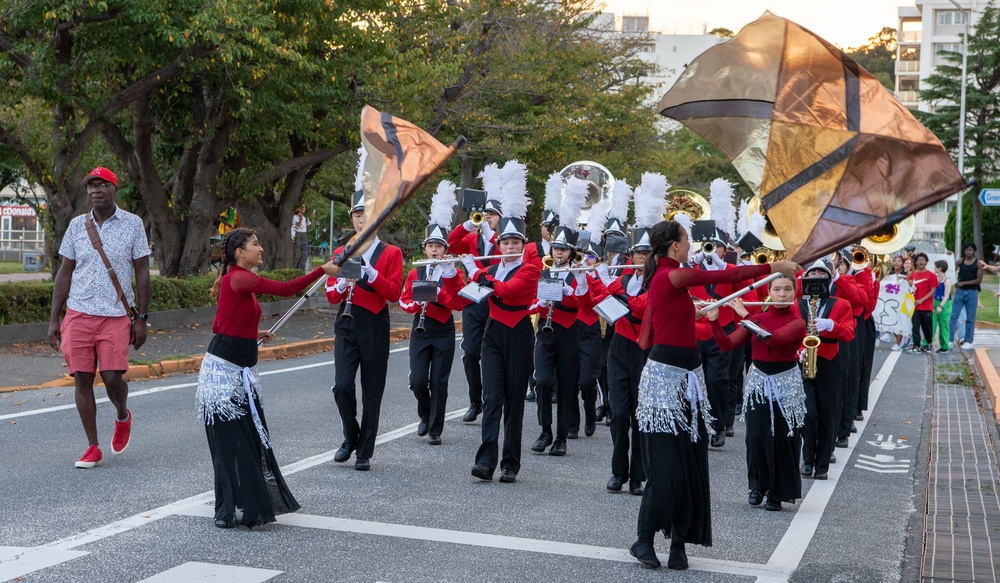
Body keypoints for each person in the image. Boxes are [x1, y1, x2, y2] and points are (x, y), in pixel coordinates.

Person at [628, 219, 798, 570]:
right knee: (667, 466)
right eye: (687, 240)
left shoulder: (668, 282)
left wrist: (691, 314)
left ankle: (679, 544)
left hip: (690, 378)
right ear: (675, 246)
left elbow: (652, 335)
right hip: (665, 382)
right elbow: (728, 278)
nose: (690, 245)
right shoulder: (672, 275)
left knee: (692, 463)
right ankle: (644, 538)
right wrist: (775, 267)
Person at [198, 228, 338, 528]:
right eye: (255, 244)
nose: (260, 249)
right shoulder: (238, 277)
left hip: (241, 369)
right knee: (230, 441)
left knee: (248, 437)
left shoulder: (236, 281)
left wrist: (253, 332)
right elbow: (287, 290)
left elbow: (218, 324)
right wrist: (320, 270)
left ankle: (241, 503)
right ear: (240, 253)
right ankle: (226, 510)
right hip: (224, 373)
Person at [48, 167, 151, 469]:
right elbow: (65, 272)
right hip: (79, 312)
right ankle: (92, 446)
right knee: (82, 378)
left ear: (114, 189)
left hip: (116, 314)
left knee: (111, 377)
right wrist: (55, 319)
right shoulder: (76, 226)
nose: (95, 190)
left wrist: (141, 318)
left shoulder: (133, 224)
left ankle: (122, 414)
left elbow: (143, 272)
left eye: (102, 185)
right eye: (91, 186)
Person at [460, 163, 540, 483]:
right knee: (493, 399)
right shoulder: (495, 261)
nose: (509, 247)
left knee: (513, 403)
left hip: (519, 334)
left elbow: (507, 292)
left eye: (514, 243)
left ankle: (510, 463)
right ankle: (485, 460)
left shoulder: (530, 269)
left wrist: (477, 273)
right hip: (493, 334)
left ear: (522, 245)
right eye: (505, 243)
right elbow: (462, 240)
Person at [708, 275, 807, 511]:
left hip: (785, 381)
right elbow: (727, 345)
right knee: (755, 435)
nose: (782, 294)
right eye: (777, 289)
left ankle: (777, 492)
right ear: (769, 293)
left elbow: (773, 339)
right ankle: (758, 486)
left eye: (786, 290)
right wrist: (713, 321)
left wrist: (744, 316)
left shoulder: (797, 322)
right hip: (759, 381)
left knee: (783, 436)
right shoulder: (759, 318)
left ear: (794, 293)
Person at [326, 190, 403, 471]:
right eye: (358, 215)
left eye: (367, 215)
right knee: (342, 385)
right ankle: (351, 436)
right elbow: (331, 297)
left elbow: (394, 292)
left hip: (374, 322)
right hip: (346, 322)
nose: (362, 220)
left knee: (372, 388)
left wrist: (372, 275)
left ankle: (364, 451)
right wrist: (339, 286)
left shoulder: (391, 253)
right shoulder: (341, 252)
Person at [399, 181, 465, 445]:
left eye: (439, 246)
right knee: (417, 380)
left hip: (443, 329)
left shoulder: (452, 273)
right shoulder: (415, 273)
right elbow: (404, 301)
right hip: (420, 328)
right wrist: (418, 303)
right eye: (431, 246)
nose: (435, 251)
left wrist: (439, 293)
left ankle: (436, 428)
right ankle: (425, 414)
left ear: (445, 249)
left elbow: (459, 304)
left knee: (439, 380)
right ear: (424, 248)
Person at [588, 237, 650, 496]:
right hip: (619, 348)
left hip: (644, 350)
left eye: (648, 253)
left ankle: (637, 475)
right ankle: (618, 471)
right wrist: (591, 278)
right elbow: (598, 299)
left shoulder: (657, 282)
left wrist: (610, 284)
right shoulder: (623, 279)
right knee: (619, 412)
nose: (643, 258)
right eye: (639, 253)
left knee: (639, 414)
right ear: (632, 255)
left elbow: (638, 308)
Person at [449, 165, 504, 423]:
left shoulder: (504, 240)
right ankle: (475, 401)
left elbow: (508, 257)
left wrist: (492, 235)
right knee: (470, 351)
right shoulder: (472, 238)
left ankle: (495, 398)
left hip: (496, 300)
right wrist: (468, 225)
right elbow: (448, 244)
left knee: (495, 353)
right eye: (486, 214)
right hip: (473, 299)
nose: (488, 218)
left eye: (492, 215)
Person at [798, 259, 856, 481]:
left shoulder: (840, 304)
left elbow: (849, 333)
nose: (816, 279)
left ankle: (822, 465)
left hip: (830, 362)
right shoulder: (798, 304)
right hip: (805, 361)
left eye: (822, 275)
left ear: (828, 279)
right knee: (808, 413)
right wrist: (798, 351)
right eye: (812, 275)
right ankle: (808, 459)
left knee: (827, 414)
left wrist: (831, 326)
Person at [875, 255, 912, 351]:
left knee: (900, 321)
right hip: (889, 301)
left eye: (899, 261)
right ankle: (881, 336)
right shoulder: (888, 274)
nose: (896, 263)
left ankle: (899, 342)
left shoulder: (907, 274)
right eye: (895, 261)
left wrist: (905, 281)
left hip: (901, 302)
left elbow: (910, 286)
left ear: (903, 264)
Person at [951, 243, 983, 350]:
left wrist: (963, 283)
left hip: (972, 292)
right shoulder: (960, 262)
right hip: (960, 292)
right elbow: (951, 272)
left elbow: (979, 280)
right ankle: (950, 340)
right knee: (954, 315)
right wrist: (954, 264)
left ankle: (969, 341)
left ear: (974, 251)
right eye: (966, 250)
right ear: (964, 251)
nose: (968, 252)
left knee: (970, 317)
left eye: (970, 250)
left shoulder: (978, 263)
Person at [908, 253, 937, 353]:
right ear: (915, 262)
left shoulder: (931, 275)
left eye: (923, 260)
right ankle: (916, 346)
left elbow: (933, 291)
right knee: (915, 328)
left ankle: (929, 344)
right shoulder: (913, 275)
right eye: (919, 260)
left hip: (926, 307)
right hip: (915, 307)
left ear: (926, 262)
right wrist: (909, 283)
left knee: (927, 328)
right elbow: (909, 290)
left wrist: (921, 300)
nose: (920, 262)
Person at [932, 260, 954, 353]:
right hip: (934, 302)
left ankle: (945, 346)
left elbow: (947, 294)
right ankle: (926, 343)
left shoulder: (947, 280)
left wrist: (940, 306)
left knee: (943, 325)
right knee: (931, 324)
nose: (934, 268)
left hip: (944, 304)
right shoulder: (935, 278)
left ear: (940, 268)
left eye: (936, 267)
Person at [291, 203, 315, 271]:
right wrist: (300, 218)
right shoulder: (295, 217)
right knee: (297, 253)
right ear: (298, 209)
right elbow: (298, 225)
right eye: (302, 207)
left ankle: (301, 269)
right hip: (297, 234)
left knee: (304, 253)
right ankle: (294, 268)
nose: (304, 209)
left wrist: (313, 218)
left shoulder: (305, 218)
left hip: (304, 234)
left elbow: (311, 225)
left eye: (304, 207)